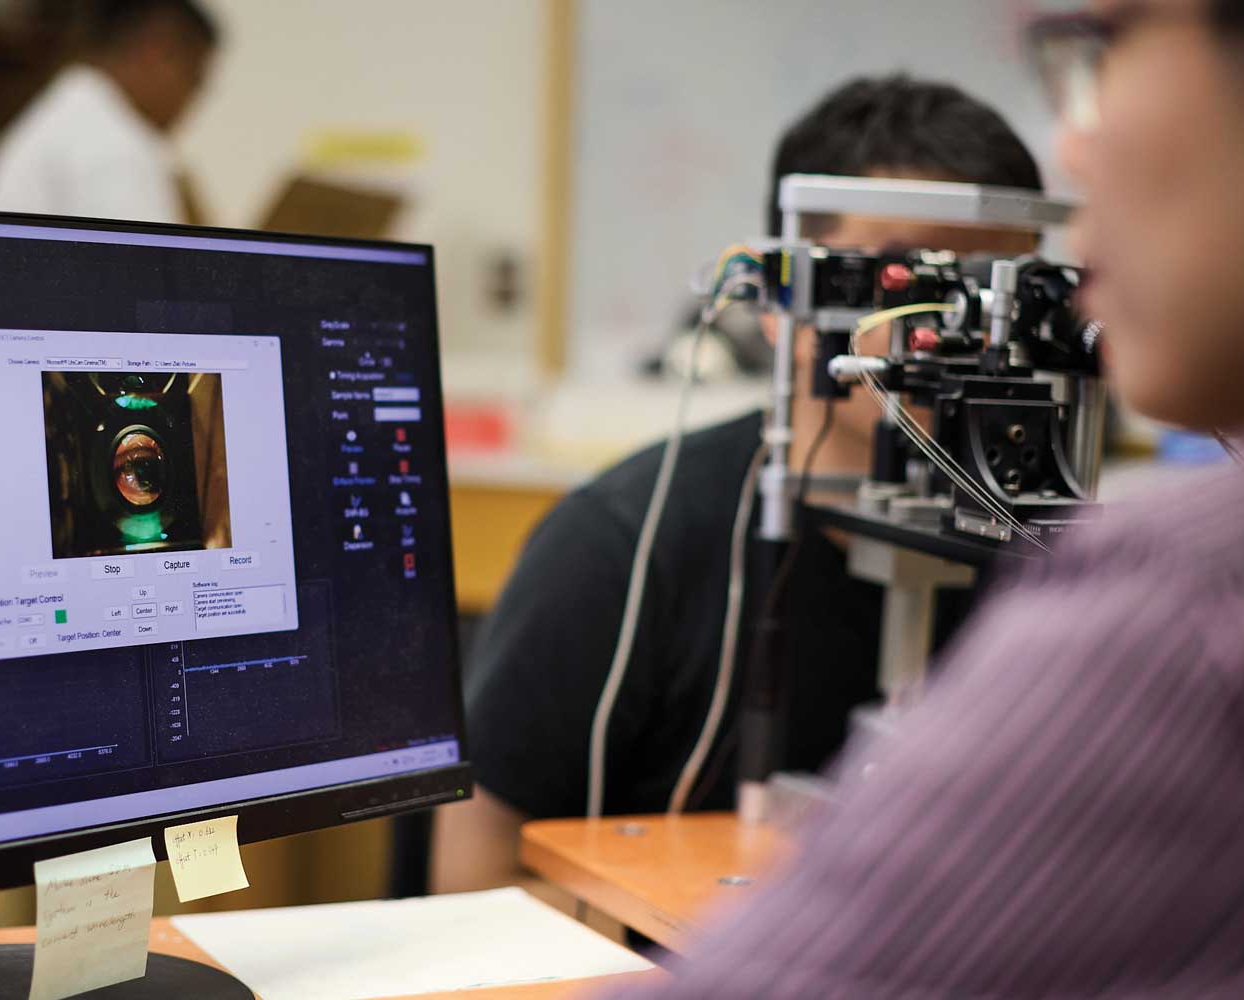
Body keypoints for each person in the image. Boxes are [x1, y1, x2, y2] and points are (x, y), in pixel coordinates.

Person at [608, 0, 1244, 993]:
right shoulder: (641, 530)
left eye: (1099, 49)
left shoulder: (1185, 608)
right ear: (790, 301)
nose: (1078, 146)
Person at [434, 76, 1042, 892]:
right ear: (780, 299)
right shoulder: (625, 541)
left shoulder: (1055, 556)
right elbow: (478, 864)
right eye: (909, 284)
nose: (954, 336)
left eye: (992, 290)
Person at [0, 0, 217, 225]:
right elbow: (141, 270)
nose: (195, 98)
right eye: (194, 78)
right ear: (155, 53)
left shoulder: (74, 118)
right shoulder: (114, 146)